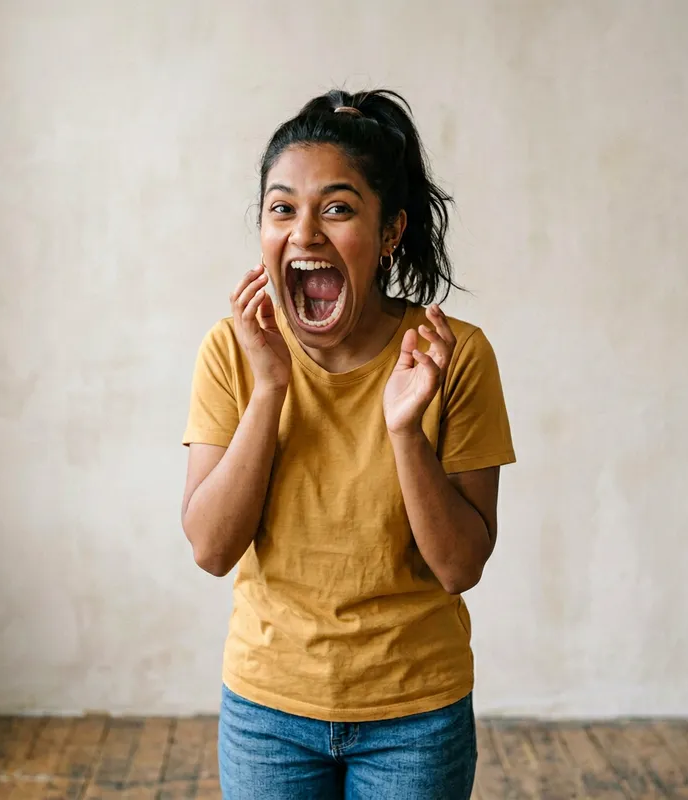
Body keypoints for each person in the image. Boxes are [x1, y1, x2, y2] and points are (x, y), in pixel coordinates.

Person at [182, 89, 515, 800]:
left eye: (337, 208)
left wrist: (405, 432)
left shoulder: (454, 356)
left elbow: (459, 566)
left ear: (390, 231)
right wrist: (269, 389)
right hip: (268, 711)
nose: (304, 232)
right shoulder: (233, 352)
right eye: (282, 207)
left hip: (415, 715)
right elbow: (211, 549)